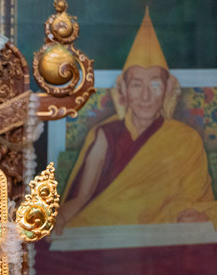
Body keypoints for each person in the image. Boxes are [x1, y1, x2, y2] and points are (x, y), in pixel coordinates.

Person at [56, 7, 217, 234]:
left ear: (166, 90)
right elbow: (80, 198)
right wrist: (60, 219)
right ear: (125, 91)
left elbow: (198, 203)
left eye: (154, 84)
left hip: (165, 237)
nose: (145, 96)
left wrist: (199, 217)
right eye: (136, 84)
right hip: (106, 238)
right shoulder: (106, 133)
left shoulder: (187, 139)